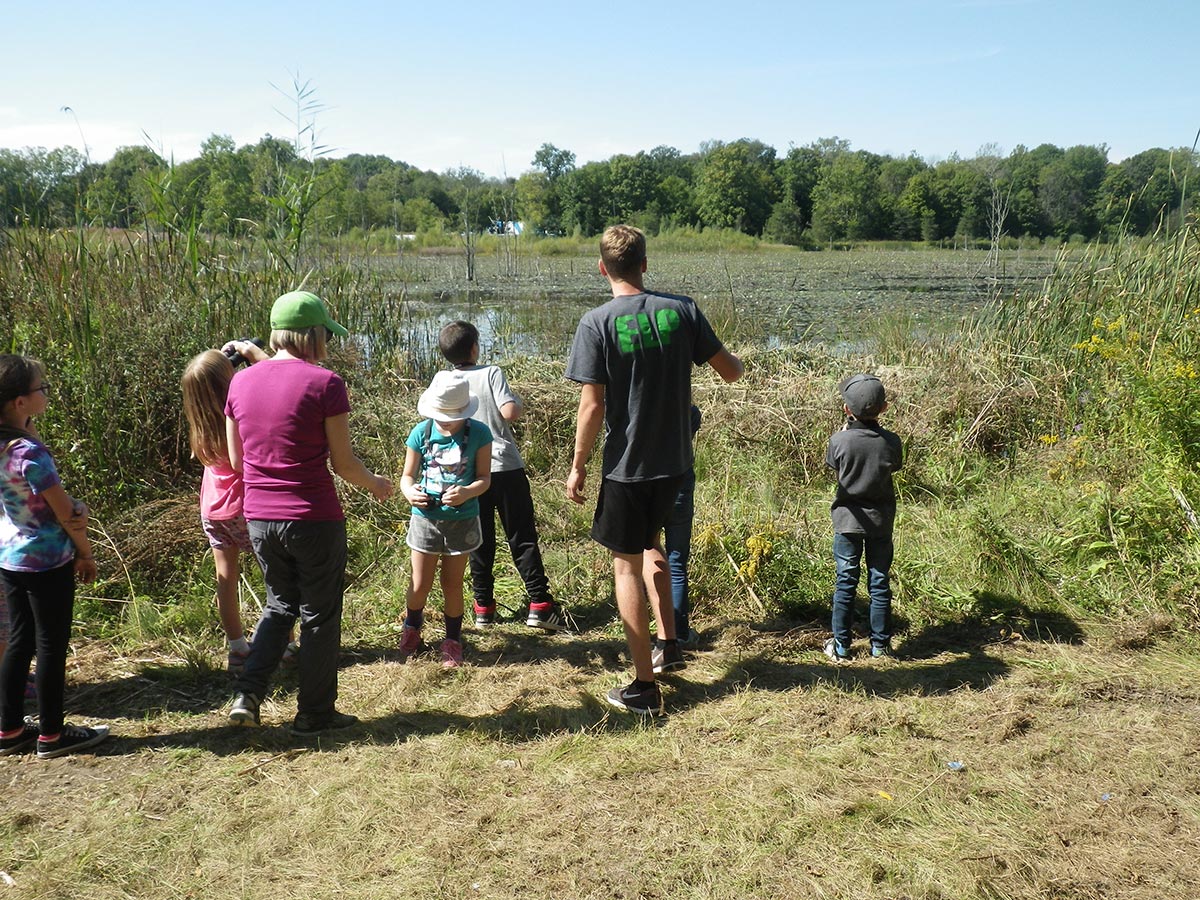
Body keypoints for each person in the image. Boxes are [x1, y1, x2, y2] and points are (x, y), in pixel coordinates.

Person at [566, 225, 743, 716]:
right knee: (652, 547)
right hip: (676, 464)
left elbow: (592, 406)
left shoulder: (596, 322)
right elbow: (731, 370)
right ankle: (669, 643)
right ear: (645, 263)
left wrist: (578, 466)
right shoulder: (682, 309)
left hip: (627, 467)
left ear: (602, 268)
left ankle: (644, 686)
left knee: (626, 565)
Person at [224, 291, 393, 735]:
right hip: (313, 516)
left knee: (279, 606)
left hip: (259, 517)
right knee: (319, 615)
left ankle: (249, 693)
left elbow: (237, 461)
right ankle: (314, 714)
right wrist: (377, 484)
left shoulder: (239, 382)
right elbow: (345, 464)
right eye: (325, 334)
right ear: (314, 334)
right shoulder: (325, 384)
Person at [0, 355, 109, 759]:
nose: (46, 392)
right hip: (48, 561)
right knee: (50, 644)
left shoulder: (6, 447)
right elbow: (66, 512)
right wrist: (86, 552)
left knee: (18, 641)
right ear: (19, 402)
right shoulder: (31, 456)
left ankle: (9, 728)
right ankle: (52, 734)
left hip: (11, 557)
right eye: (40, 388)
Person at [437, 320, 565, 631]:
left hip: (466, 473)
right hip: (504, 467)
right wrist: (517, 401)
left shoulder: (443, 379)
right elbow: (509, 412)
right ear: (474, 348)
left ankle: (483, 608)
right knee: (521, 536)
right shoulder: (491, 372)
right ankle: (539, 605)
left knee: (479, 541)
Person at [398, 371, 492, 668]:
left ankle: (452, 640)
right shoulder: (421, 432)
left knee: (452, 583)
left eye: (451, 416)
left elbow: (484, 479)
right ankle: (412, 627)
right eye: (440, 415)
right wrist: (410, 493)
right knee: (420, 581)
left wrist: (466, 493)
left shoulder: (479, 434)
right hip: (425, 519)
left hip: (461, 519)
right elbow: (407, 477)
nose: (445, 421)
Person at [181, 349, 258, 675]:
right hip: (244, 507)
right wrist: (253, 356)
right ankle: (284, 642)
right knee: (276, 576)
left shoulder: (198, 426)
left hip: (212, 509)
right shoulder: (237, 419)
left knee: (225, 578)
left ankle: (237, 647)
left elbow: (204, 379)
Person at [823, 374, 903, 662]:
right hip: (881, 522)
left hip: (847, 522)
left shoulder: (839, 441)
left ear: (847, 410)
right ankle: (880, 646)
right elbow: (894, 465)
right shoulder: (891, 442)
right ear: (884, 408)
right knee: (879, 581)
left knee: (846, 580)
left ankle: (841, 646)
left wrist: (847, 432)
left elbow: (835, 463)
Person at [664, 405, 702, 646]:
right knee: (676, 562)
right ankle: (679, 633)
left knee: (646, 557)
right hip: (680, 484)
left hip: (647, 486)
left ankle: (656, 629)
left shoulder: (642, 410)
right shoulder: (690, 412)